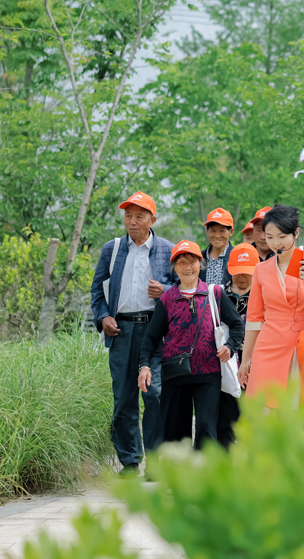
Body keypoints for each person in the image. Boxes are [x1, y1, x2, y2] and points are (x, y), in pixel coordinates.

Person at [90, 191, 177, 477]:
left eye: (139, 216)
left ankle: (156, 461)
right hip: (121, 331)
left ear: (152, 219)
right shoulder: (111, 249)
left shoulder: (168, 249)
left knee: (154, 394)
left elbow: (185, 289)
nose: (132, 221)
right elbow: (96, 290)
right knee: (124, 397)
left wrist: (163, 291)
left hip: (156, 332)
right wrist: (103, 317)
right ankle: (129, 461)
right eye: (128, 215)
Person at [137, 241, 243, 449]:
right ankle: (180, 478)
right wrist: (144, 366)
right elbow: (151, 338)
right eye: (181, 262)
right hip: (175, 375)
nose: (187, 266)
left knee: (205, 426)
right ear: (174, 267)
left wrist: (230, 346)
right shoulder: (167, 299)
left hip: (209, 374)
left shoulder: (214, 294)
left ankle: (203, 476)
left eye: (192, 261)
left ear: (200, 264)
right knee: (175, 432)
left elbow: (237, 325)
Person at [237, 205, 304, 407]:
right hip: (267, 345)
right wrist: (246, 360)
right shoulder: (261, 269)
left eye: (281, 236)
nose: (275, 243)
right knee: (263, 414)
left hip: (300, 347)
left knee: (296, 415)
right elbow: (253, 319)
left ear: (296, 234)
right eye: (269, 237)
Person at [218, 242, 257, 447]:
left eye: (247, 272)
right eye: (238, 272)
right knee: (227, 412)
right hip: (227, 361)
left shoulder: (264, 293)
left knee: (253, 412)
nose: (242, 277)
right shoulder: (219, 294)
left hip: (256, 360)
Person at [200, 207, 234, 288]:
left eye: (222, 231)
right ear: (207, 230)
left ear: (231, 232)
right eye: (213, 230)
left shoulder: (236, 257)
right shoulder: (199, 257)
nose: (217, 236)